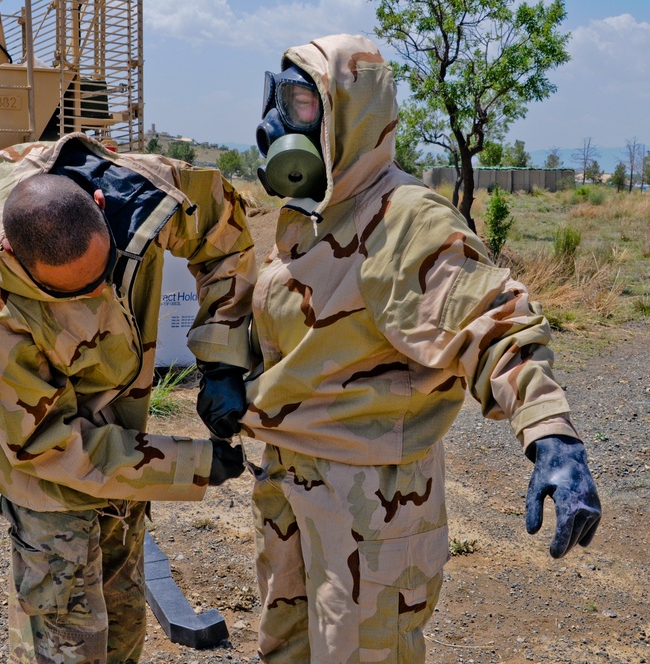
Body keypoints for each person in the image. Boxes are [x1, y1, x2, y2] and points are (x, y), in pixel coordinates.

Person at [240, 34, 602, 663]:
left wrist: (551, 433)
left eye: (301, 105)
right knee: (286, 649)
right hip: (290, 474)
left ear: (350, 115)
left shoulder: (409, 219)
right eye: (281, 101)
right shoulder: (314, 212)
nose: (277, 123)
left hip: (369, 498)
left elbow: (497, 323)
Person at [0, 133, 255, 663]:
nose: (99, 297)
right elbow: (47, 445)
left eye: (104, 273)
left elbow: (223, 233)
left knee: (125, 626)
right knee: (73, 646)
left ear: (99, 205)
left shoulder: (147, 195)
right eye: (71, 294)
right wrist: (193, 464)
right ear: (11, 255)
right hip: (51, 487)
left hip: (123, 464)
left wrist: (222, 357)